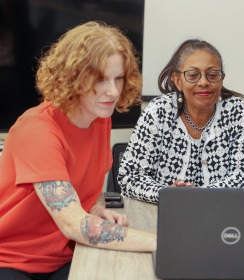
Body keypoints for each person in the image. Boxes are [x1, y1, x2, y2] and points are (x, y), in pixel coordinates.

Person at [0, 21, 156, 280]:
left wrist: (94, 206)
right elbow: (74, 224)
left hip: (64, 255)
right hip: (11, 258)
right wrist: (157, 241)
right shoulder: (38, 129)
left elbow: (84, 184)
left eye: (118, 78)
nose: (113, 91)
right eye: (100, 80)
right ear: (74, 76)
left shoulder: (99, 117)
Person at [118, 39, 244, 204]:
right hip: (162, 218)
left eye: (213, 75)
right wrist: (166, 193)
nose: (204, 82)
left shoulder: (238, 112)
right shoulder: (158, 111)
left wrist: (194, 196)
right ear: (177, 81)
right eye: (193, 75)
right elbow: (130, 177)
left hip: (220, 218)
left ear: (222, 80)